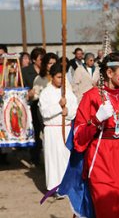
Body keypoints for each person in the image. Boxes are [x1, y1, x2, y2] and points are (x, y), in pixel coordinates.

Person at [73, 52, 119, 218]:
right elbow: (78, 138)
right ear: (110, 73)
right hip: (100, 158)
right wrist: (96, 120)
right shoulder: (91, 97)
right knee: (106, 208)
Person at [39, 62, 78, 195]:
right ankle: (54, 187)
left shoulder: (68, 91)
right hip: (52, 130)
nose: (61, 80)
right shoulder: (46, 92)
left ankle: (67, 186)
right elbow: (44, 112)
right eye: (58, 77)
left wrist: (67, 112)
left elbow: (74, 109)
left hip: (66, 128)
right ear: (52, 77)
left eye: (63, 77)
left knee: (66, 157)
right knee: (53, 159)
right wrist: (59, 106)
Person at [22, 47, 46, 165]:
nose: (43, 61)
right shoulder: (25, 71)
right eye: (41, 59)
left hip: (45, 105)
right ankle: (35, 157)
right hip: (32, 105)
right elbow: (20, 87)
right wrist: (28, 93)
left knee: (45, 131)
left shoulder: (47, 70)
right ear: (34, 60)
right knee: (35, 131)